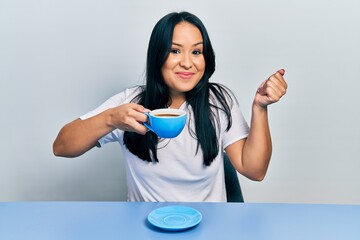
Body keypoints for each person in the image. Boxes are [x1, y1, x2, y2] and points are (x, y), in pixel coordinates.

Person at [53, 11, 287, 202]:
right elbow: (61, 146)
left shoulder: (219, 101)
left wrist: (260, 107)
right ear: (158, 56)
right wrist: (110, 119)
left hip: (210, 228)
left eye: (197, 52)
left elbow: (254, 170)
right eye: (175, 51)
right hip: (146, 228)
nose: (187, 62)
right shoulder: (129, 103)